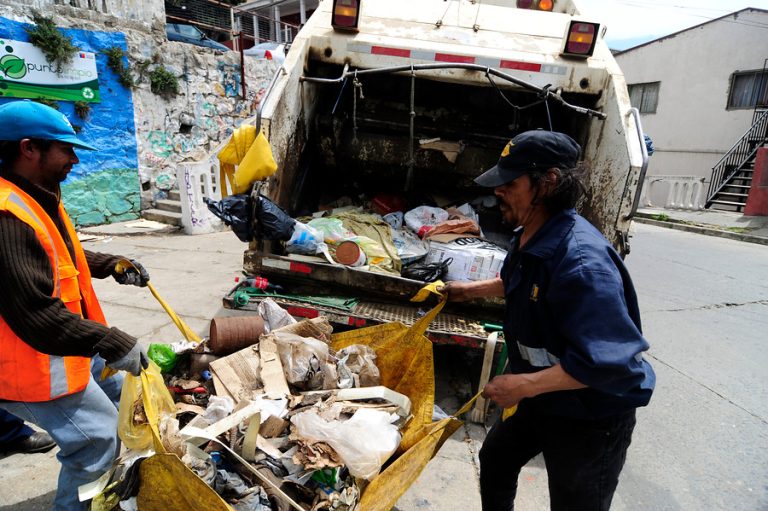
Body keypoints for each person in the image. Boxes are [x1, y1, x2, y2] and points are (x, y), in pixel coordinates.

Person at [443, 130, 656, 511]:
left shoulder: (582, 265)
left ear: (549, 182)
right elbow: (518, 281)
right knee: (496, 458)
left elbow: (608, 364)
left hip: (592, 413)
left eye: (510, 183)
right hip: (548, 398)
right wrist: (468, 291)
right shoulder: (531, 235)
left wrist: (522, 385)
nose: (498, 192)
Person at [0, 100, 151, 511]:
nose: (74, 158)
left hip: (63, 349)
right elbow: (34, 313)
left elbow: (55, 255)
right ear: (28, 149)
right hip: (28, 363)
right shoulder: (6, 216)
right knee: (97, 439)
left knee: (123, 400)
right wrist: (112, 341)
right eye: (65, 149)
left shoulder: (35, 195)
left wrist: (109, 264)